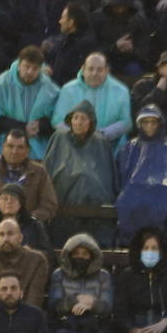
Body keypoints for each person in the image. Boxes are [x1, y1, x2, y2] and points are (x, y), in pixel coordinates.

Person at [43, 101, 119, 246]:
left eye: (83, 118)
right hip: (63, 210)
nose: (78, 122)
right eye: (75, 118)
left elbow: (110, 179)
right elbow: (47, 170)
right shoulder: (59, 138)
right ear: (70, 120)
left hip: (96, 215)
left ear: (91, 122)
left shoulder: (101, 143)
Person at [0, 47, 61, 160]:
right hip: (5, 145)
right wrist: (23, 128)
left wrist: (40, 126)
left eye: (35, 68)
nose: (30, 72)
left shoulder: (50, 88)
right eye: (26, 67)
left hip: (39, 149)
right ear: (19, 65)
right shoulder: (0, 84)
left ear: (40, 68)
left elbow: (58, 117)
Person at [0, 131, 58, 226]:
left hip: (28, 228)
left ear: (27, 151)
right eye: (10, 146)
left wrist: (30, 218)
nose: (14, 151)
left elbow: (49, 205)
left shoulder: (39, 172)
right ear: (3, 147)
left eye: (20, 147)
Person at [48, 233, 113, 333]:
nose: (80, 257)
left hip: (95, 327)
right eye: (76, 253)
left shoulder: (103, 276)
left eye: (84, 254)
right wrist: (76, 299)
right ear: (69, 255)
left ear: (92, 256)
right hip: (64, 326)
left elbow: (107, 307)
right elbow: (54, 305)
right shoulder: (58, 274)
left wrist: (92, 304)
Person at [0, 217, 50, 309]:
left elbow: (35, 298)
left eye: (10, 234)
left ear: (20, 238)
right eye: (1, 235)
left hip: (29, 316)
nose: (6, 239)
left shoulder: (38, 260)